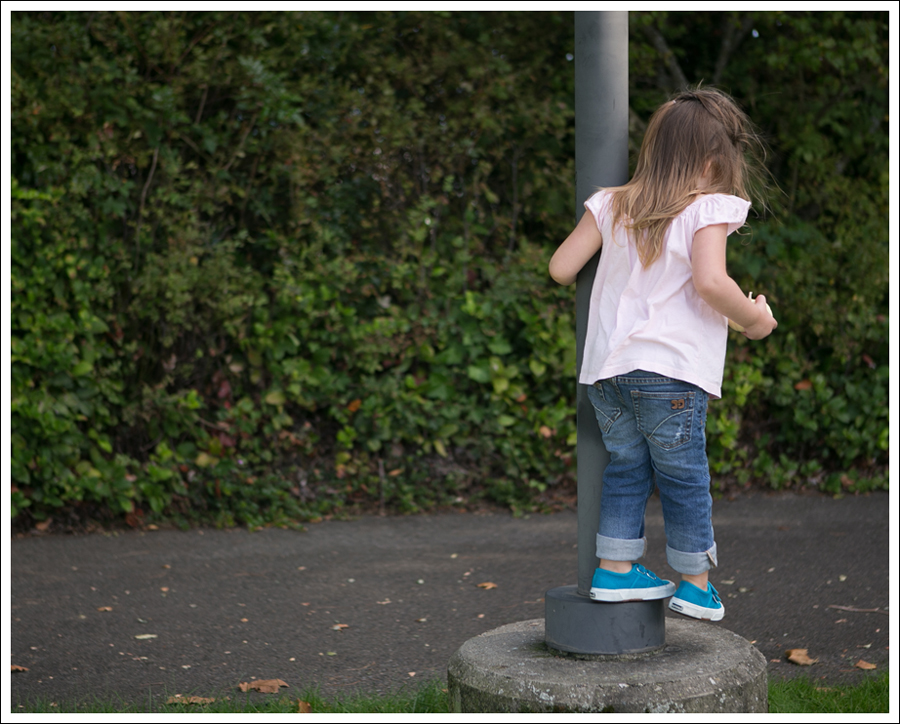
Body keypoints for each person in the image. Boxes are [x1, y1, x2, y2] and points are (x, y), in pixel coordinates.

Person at [548, 87, 777, 621]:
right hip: (670, 373)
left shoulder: (612, 203)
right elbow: (711, 281)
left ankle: (616, 571)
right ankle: (695, 584)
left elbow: (561, 268)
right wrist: (754, 319)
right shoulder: (707, 208)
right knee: (684, 475)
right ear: (709, 162)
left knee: (627, 466)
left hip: (608, 374)